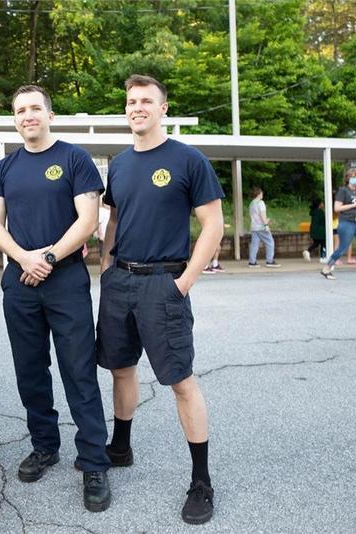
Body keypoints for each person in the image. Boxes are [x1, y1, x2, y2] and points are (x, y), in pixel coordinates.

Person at [96, 74, 224, 525]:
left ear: (163, 108)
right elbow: (114, 219)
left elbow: (213, 226)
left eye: (146, 101)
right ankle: (121, 445)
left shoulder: (188, 160)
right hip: (120, 281)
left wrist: (184, 282)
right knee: (121, 368)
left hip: (164, 282)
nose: (137, 108)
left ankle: (202, 481)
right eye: (131, 102)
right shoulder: (120, 164)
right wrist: (106, 267)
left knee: (180, 380)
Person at [0, 85, 112, 512]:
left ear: (50, 114)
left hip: (65, 279)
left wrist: (50, 257)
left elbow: (88, 219)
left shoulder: (74, 159)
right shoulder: (4, 168)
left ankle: (94, 460)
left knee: (78, 370)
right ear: (15, 119)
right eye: (20, 110)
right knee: (30, 371)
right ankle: (44, 445)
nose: (28, 115)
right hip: (20, 280)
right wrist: (25, 259)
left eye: (35, 108)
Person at [247, 186, 280, 268]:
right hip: (261, 227)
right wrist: (266, 223)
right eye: (261, 192)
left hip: (254, 226)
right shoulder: (260, 203)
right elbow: (262, 216)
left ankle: (252, 262)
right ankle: (270, 261)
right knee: (270, 242)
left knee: (254, 244)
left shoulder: (252, 203)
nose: (262, 194)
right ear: (258, 194)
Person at [303, 197, 326, 263]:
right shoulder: (321, 212)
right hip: (321, 231)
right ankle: (323, 257)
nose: (323, 204)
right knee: (323, 244)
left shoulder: (313, 212)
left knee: (316, 243)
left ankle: (308, 251)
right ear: (319, 204)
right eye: (322, 203)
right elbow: (324, 221)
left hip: (313, 230)